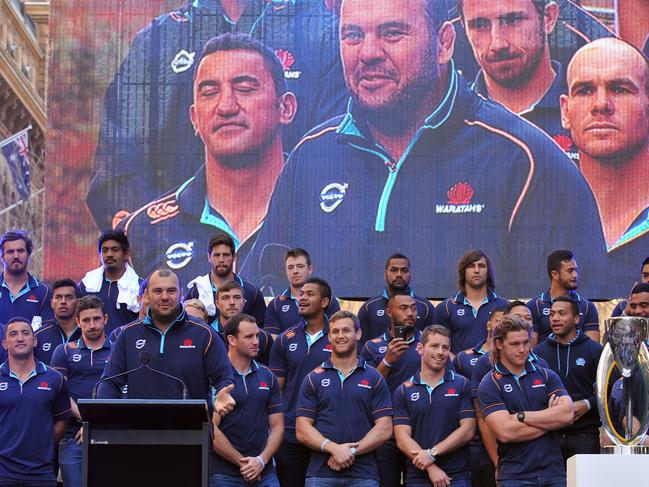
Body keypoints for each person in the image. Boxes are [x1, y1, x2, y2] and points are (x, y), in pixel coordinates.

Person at [241, 0, 606, 299]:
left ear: (445, 43)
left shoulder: (527, 163)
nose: (368, 53)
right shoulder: (310, 157)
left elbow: (568, 337)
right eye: (352, 35)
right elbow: (257, 308)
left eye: (392, 33)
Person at [88, 0, 346, 231]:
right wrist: (161, 235)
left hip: (289, 244)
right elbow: (117, 164)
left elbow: (336, 154)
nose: (226, 106)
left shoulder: (322, 31)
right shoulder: (159, 40)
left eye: (245, 89)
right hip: (179, 257)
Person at [120, 33, 302, 281]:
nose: (226, 106)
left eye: (245, 89)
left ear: (286, 108)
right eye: (209, 92)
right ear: (195, 118)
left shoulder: (327, 212)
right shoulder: (140, 233)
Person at [560, 38, 649, 286]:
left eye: (620, 89)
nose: (600, 105)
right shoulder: (539, 215)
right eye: (585, 90)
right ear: (565, 112)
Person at [96, 269, 236, 415]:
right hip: (139, 431)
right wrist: (101, 415)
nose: (164, 297)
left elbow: (223, 378)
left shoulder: (204, 334)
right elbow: (109, 382)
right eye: (157, 291)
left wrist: (218, 397)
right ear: (147, 295)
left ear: (181, 294)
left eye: (171, 291)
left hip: (192, 431)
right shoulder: (128, 334)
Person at [459, 0, 578, 160]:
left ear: (548, 18)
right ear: (464, 28)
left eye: (512, 20)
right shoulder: (448, 121)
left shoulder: (589, 112)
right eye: (480, 25)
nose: (498, 44)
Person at [296, 310, 393, 487]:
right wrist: (333, 448)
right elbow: (302, 429)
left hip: (364, 475)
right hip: (321, 474)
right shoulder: (313, 378)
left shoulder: (374, 378)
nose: (340, 336)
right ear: (329, 337)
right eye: (335, 331)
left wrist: (351, 451)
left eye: (346, 330)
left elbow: (385, 428)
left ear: (358, 333)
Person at [477, 315, 573, 487]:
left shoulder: (546, 375)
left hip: (554, 472)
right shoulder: (489, 383)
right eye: (514, 344)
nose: (522, 349)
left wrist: (520, 417)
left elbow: (567, 415)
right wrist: (550, 421)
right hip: (515, 476)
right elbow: (506, 432)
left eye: (526, 342)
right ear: (499, 344)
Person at [268, 277, 335, 487]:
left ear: (324, 302)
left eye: (309, 294)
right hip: (290, 431)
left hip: (328, 430)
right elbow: (275, 390)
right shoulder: (284, 339)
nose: (302, 298)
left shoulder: (339, 337)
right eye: (301, 294)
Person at [393, 325, 476, 487]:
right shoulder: (403, 390)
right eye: (434, 346)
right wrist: (431, 466)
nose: (440, 352)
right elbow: (402, 438)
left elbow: (468, 430)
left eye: (445, 348)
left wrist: (432, 453)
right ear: (420, 348)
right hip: (418, 476)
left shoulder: (462, 384)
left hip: (457, 475)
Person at [360, 291, 424, 487]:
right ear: (389, 311)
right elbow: (365, 388)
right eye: (403, 308)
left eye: (413, 308)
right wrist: (387, 361)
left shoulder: (430, 344)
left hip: (421, 428)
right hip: (386, 430)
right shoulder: (372, 346)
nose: (410, 313)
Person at [211, 314, 284, 486]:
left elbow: (278, 427)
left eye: (257, 335)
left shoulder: (267, 375)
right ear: (232, 340)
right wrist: (244, 463)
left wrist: (260, 461)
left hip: (265, 472)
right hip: (224, 474)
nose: (256, 341)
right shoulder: (216, 376)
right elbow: (211, 429)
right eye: (249, 336)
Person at [0, 317, 71, 486]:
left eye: (25, 333)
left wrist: (43, 444)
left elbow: (62, 419)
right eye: (13, 334)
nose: (20, 338)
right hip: (2, 472)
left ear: (34, 341)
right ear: (5, 344)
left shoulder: (55, 379)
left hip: (41, 472)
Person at [51, 295, 112, 487]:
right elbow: (60, 393)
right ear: (77, 321)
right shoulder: (64, 351)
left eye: (96, 319)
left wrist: (96, 422)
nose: (92, 325)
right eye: (86, 320)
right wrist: (87, 421)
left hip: (111, 432)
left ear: (106, 319)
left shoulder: (119, 350)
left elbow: (123, 390)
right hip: (72, 436)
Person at [533, 296, 603, 460]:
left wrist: (587, 404)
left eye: (562, 313)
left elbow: (608, 393)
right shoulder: (538, 353)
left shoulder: (594, 350)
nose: (555, 318)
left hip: (584, 435)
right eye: (552, 314)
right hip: (549, 436)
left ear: (576, 319)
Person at [453, 307, 505, 487]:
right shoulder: (463, 358)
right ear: (489, 324)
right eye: (499, 321)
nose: (502, 325)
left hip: (506, 435)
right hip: (473, 439)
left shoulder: (523, 360)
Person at [436, 251, 509, 355]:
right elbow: (439, 345)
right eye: (471, 266)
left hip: (494, 368)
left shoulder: (504, 305)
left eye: (481, 266)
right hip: (458, 370)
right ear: (463, 272)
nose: (476, 270)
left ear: (488, 272)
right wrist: (459, 363)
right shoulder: (446, 307)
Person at [183, 234, 266, 326]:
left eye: (226, 255)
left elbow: (260, 332)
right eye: (217, 255)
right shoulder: (196, 292)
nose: (221, 260)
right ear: (209, 257)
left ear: (234, 257)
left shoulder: (252, 292)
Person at [358, 254, 436, 347]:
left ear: (410, 274)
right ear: (385, 274)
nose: (399, 274)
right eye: (394, 270)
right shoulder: (369, 308)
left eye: (404, 270)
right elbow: (361, 348)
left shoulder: (425, 307)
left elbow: (434, 344)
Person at [527, 250, 599, 345]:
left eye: (575, 270)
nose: (575, 275)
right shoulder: (534, 306)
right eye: (570, 271)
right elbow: (530, 350)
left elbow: (593, 350)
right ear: (555, 274)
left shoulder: (587, 307)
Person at [78, 229, 142, 336]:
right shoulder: (86, 285)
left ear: (126, 254)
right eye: (105, 250)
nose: (109, 254)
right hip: (93, 349)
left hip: (126, 348)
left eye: (115, 250)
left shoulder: (139, 286)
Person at [264, 248, 340, 337]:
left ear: (310, 269)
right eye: (290, 267)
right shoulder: (276, 304)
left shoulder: (329, 301)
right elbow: (273, 340)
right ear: (286, 271)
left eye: (300, 266)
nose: (295, 271)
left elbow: (336, 333)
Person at [0, 230, 53, 329]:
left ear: (28, 255)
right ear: (2, 256)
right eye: (10, 252)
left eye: (20, 251)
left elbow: (47, 333)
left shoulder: (44, 292)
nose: (16, 256)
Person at [213, 281, 273, 365]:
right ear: (217, 304)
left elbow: (269, 373)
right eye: (225, 298)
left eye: (237, 297)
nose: (232, 302)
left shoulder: (263, 337)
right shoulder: (208, 335)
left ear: (244, 302)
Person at [34, 278, 82, 365]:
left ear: (78, 303)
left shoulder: (87, 333)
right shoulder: (39, 336)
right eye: (58, 297)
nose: (63, 301)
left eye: (69, 297)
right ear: (52, 303)